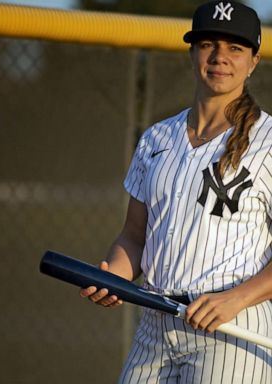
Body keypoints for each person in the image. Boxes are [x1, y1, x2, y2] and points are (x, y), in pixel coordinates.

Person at [80, 1, 272, 382]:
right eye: (208, 44)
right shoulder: (156, 137)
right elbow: (134, 237)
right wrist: (115, 275)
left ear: (253, 62)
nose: (220, 57)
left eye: (235, 48)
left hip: (232, 331)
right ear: (192, 52)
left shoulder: (269, 141)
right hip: (154, 325)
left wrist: (237, 298)